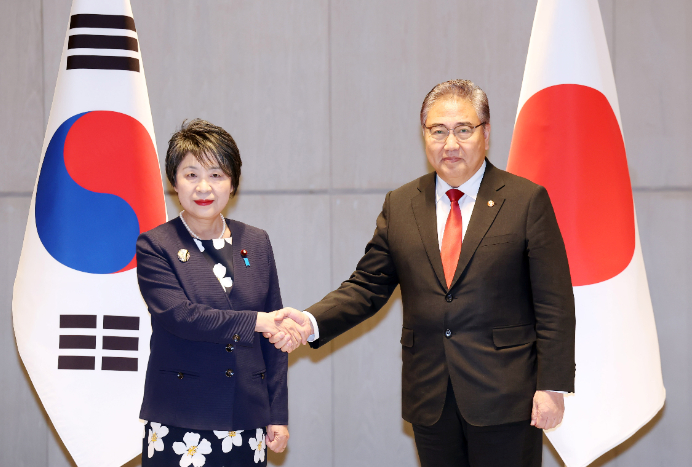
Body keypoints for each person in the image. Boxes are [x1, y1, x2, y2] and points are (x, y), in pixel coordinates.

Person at [269, 80, 576, 467]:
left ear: (486, 133)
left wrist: (551, 386)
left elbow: (555, 304)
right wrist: (310, 320)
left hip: (506, 396)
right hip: (430, 396)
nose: (450, 144)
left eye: (463, 130)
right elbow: (367, 286)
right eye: (438, 131)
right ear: (425, 135)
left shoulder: (525, 201)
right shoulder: (401, 204)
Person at [136, 119, 301, 466]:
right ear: (174, 182)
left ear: (232, 183)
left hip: (247, 416)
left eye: (216, 174)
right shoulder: (155, 245)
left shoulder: (256, 242)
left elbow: (275, 334)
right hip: (181, 417)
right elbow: (181, 317)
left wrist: (278, 413)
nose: (203, 187)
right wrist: (256, 321)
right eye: (191, 174)